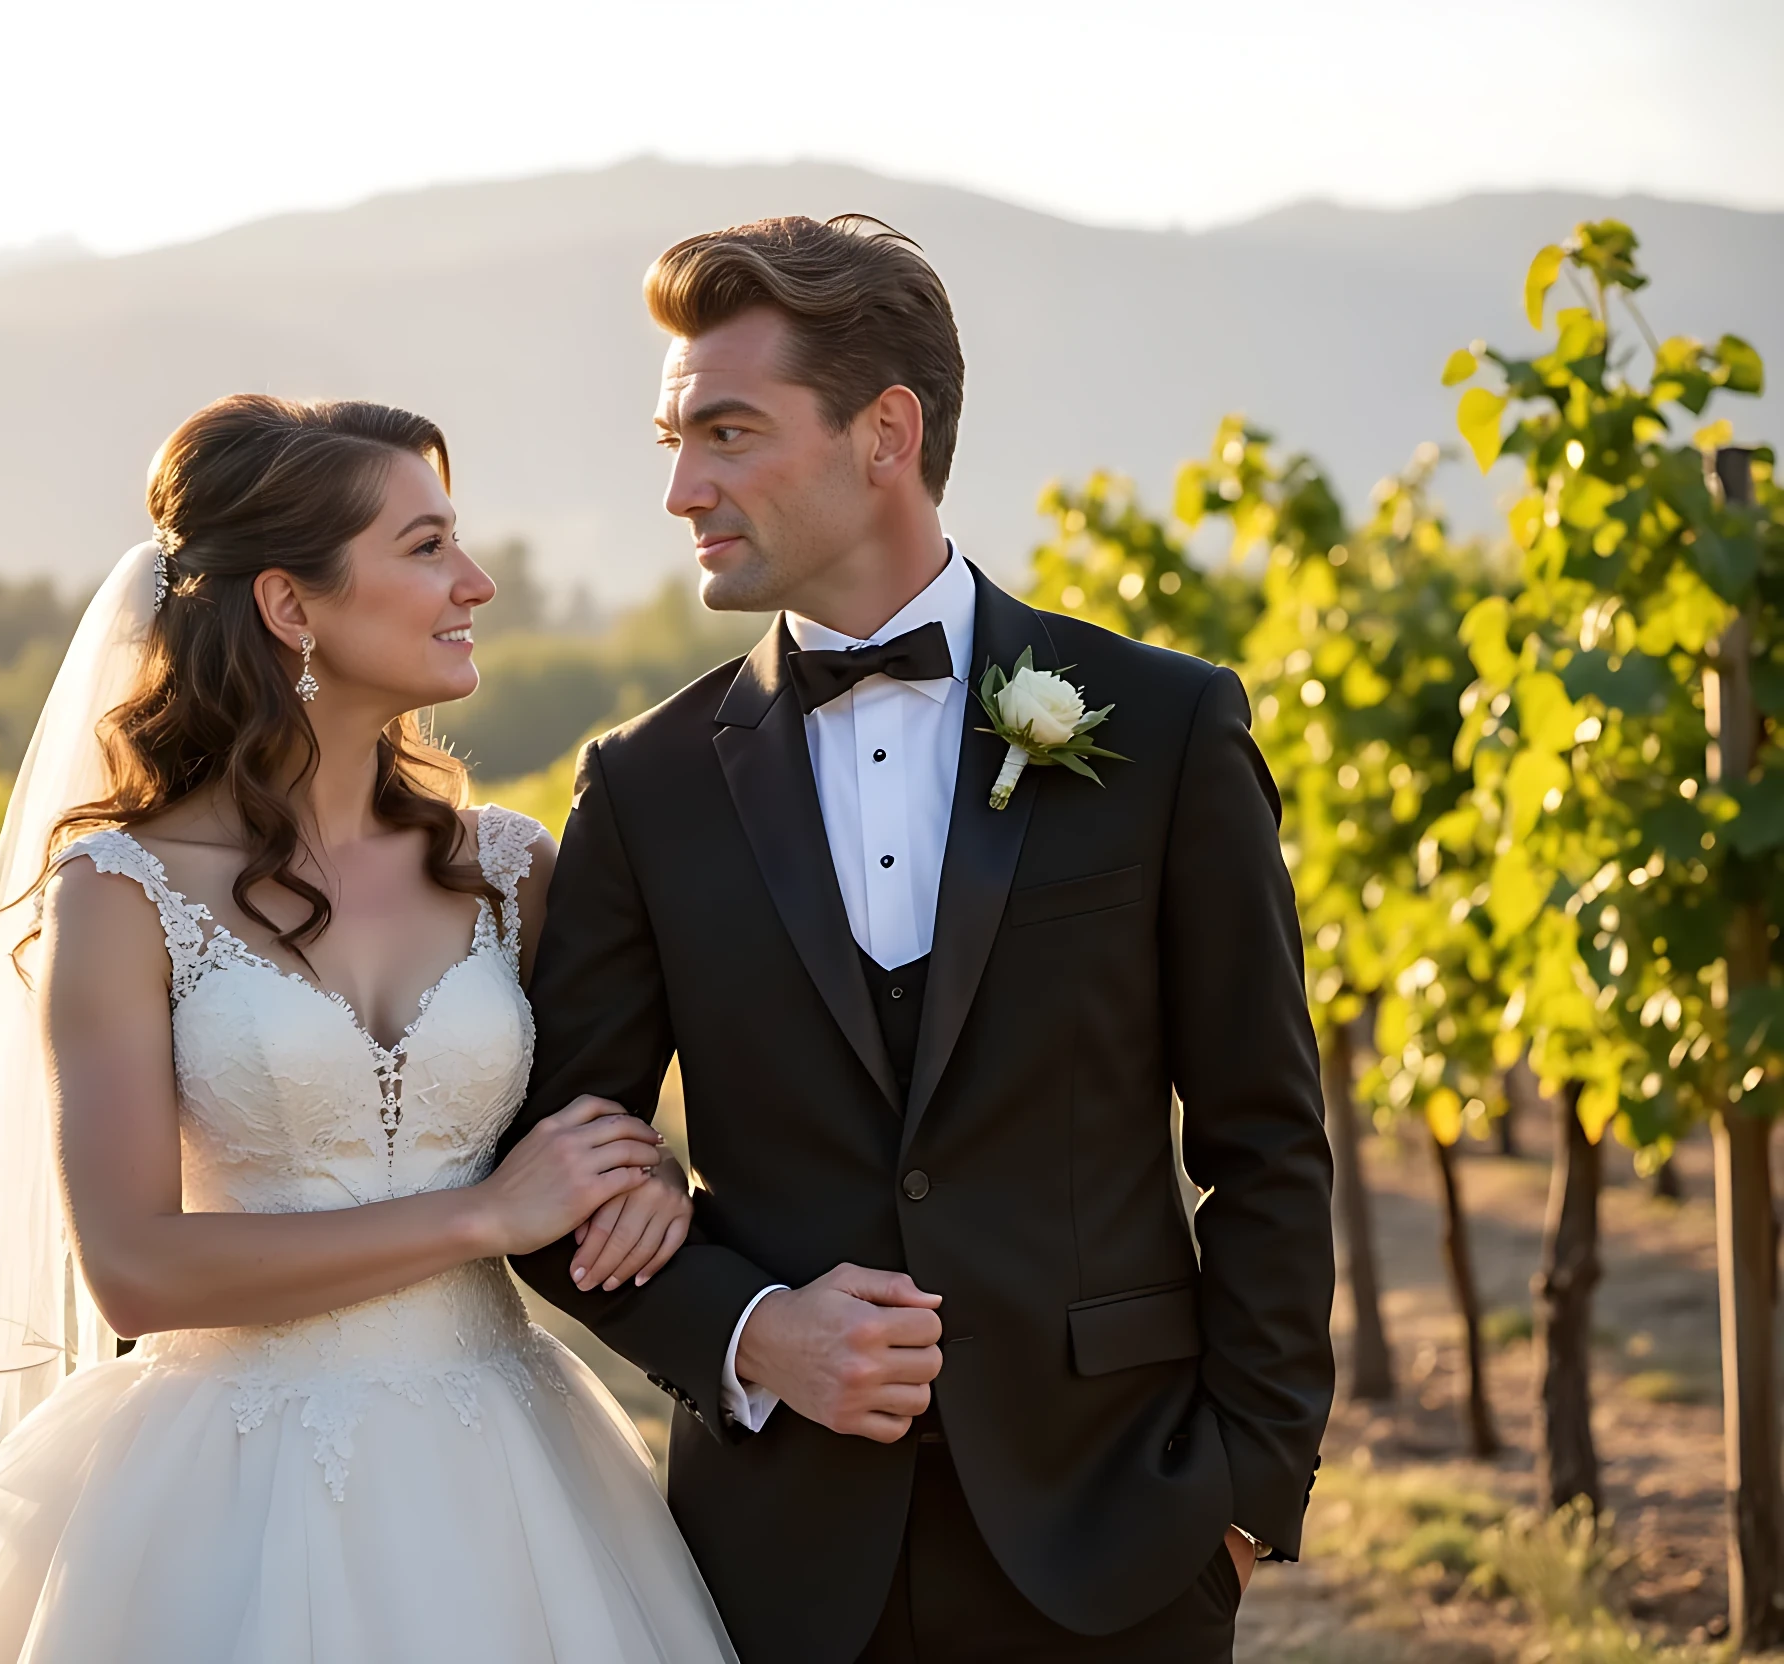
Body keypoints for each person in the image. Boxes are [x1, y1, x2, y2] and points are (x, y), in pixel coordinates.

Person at [503, 215, 1336, 1662]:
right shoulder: (644, 785)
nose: (681, 485)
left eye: (728, 431)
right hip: (777, 1564)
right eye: (670, 441)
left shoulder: (1163, 727)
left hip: (1120, 1539)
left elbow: (1268, 1140)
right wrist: (752, 1332)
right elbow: (553, 1165)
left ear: (885, 430)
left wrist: (1242, 1500)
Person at [0, 394, 737, 1663]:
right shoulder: (123, 892)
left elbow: (586, 1137)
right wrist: (477, 1216)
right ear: (291, 607)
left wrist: (645, 1183)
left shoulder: (516, 867)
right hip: (222, 1479)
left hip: (508, 1472)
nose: (473, 581)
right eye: (422, 548)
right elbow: (134, 1265)